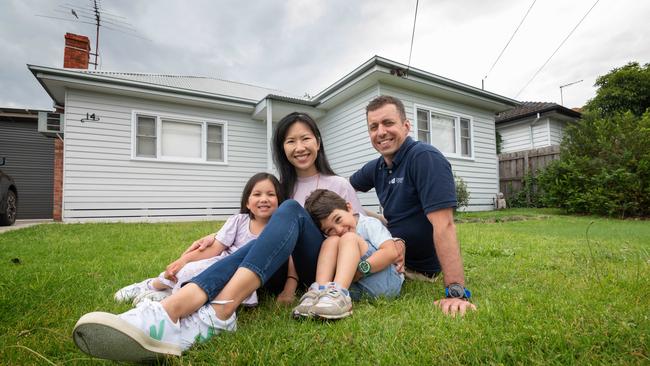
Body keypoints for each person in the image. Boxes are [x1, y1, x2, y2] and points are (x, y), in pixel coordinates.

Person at [72, 112, 399, 362]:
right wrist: (211, 238)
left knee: (287, 212)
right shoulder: (279, 187)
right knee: (258, 240)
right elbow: (255, 228)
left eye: (305, 138)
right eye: (290, 141)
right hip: (272, 268)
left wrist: (396, 244)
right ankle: (172, 311)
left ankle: (211, 311)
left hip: (317, 270)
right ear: (281, 148)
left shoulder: (338, 184)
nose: (299, 147)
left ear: (317, 141)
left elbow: (355, 229)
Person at [349, 95, 476, 316]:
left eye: (388, 123)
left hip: (412, 268)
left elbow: (444, 225)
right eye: (374, 126)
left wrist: (455, 291)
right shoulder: (377, 167)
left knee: (344, 247)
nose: (381, 132)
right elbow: (342, 189)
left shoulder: (424, 158)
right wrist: (371, 219)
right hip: (389, 247)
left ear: (406, 126)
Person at [112, 172, 291, 308]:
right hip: (222, 262)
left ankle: (168, 296)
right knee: (191, 270)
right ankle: (151, 285)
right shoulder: (238, 221)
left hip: (243, 274)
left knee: (218, 289)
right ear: (247, 201)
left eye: (271, 194)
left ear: (279, 200)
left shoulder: (278, 229)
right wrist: (183, 260)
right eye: (257, 194)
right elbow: (215, 248)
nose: (264, 199)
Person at [292, 189, 403, 319]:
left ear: (349, 208)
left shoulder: (368, 224)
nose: (339, 229)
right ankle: (320, 292)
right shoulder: (335, 236)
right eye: (329, 229)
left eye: (338, 219)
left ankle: (339, 294)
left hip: (386, 282)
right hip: (356, 289)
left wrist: (361, 270)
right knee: (331, 241)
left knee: (349, 238)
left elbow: (391, 252)